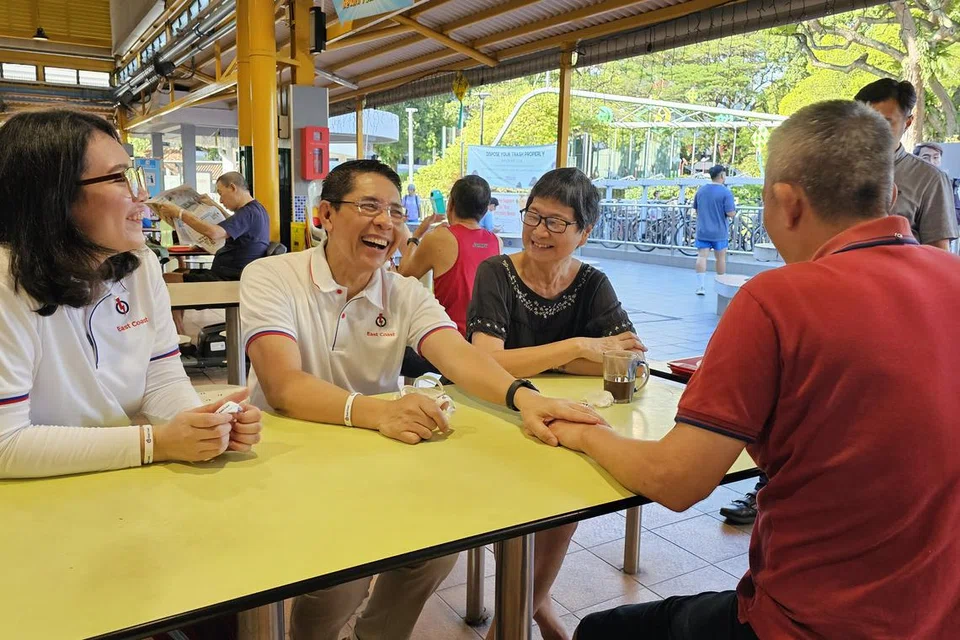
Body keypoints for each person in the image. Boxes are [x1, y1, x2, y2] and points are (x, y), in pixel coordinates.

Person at [551, 100, 960, 639]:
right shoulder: (952, 277)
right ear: (890, 197)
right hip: (938, 619)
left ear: (786, 204)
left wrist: (584, 434)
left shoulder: (777, 300)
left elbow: (678, 481)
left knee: (602, 632)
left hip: (806, 624)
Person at [239, 159, 602, 640]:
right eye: (369, 206)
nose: (385, 223)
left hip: (378, 456)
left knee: (435, 550)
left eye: (393, 211)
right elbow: (284, 386)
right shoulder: (271, 276)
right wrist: (382, 411)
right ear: (324, 214)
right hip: (292, 462)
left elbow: (459, 356)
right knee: (340, 579)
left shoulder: (403, 292)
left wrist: (522, 399)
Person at [0, 109, 262, 480]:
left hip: (113, 484)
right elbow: (5, 443)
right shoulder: (6, 282)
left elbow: (161, 376)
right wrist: (155, 444)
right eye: (120, 178)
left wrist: (202, 426)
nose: (142, 194)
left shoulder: (140, 265)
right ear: (55, 195)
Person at [467, 167, 645, 640]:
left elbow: (633, 365)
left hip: (562, 425)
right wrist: (576, 349)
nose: (538, 231)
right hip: (496, 418)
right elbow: (486, 361)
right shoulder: (496, 273)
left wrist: (569, 359)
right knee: (525, 504)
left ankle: (525, 609)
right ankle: (533, 611)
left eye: (556, 222)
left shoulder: (592, 283)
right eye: (533, 216)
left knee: (569, 499)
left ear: (585, 232)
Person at [158, 171, 270, 334]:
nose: (221, 200)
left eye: (220, 193)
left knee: (167, 280)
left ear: (232, 187)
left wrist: (180, 213)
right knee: (177, 273)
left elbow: (215, 233)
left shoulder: (249, 212)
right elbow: (231, 224)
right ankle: (179, 333)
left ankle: (179, 336)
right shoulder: (254, 210)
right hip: (227, 274)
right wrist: (213, 206)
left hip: (228, 279)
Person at [855, 79, 958, 249]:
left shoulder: (930, 180)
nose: (872, 130)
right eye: (864, 121)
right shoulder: (836, 170)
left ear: (908, 123)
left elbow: (939, 255)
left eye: (885, 122)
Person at [397, 175, 501, 335]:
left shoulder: (438, 237)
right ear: (486, 209)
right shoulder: (497, 242)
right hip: (487, 339)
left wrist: (417, 234)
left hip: (449, 337)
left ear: (450, 204)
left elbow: (403, 275)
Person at [691, 165, 736, 295]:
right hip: (719, 232)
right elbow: (731, 213)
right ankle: (721, 285)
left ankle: (700, 286)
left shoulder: (701, 191)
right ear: (722, 176)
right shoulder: (726, 193)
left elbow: (697, 209)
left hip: (703, 230)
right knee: (720, 258)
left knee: (701, 256)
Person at [914, 141, 960, 234]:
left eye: (936, 157)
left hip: (941, 236)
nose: (931, 161)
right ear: (915, 159)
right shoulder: (911, 182)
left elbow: (957, 213)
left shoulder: (948, 184)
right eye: (926, 157)